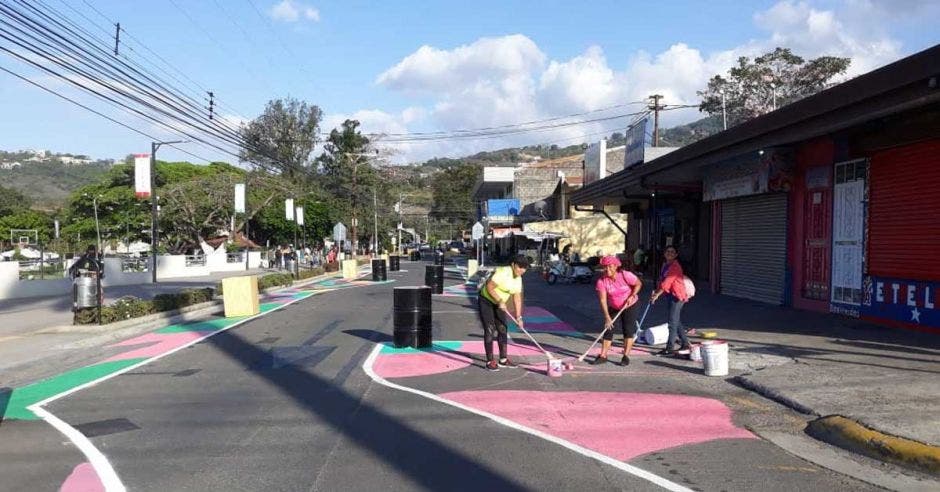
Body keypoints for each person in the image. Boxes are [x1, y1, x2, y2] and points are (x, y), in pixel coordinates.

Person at [478, 254, 530, 371]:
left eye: (524, 268)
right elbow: (489, 287)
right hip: (486, 300)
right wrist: (500, 300)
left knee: (502, 329)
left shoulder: (518, 278)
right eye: (519, 267)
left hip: (500, 304)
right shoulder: (503, 273)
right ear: (513, 265)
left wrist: (519, 317)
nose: (522, 270)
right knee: (490, 329)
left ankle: (503, 359)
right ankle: (490, 361)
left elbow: (517, 297)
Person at [592, 255, 642, 366]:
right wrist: (607, 317)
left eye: (610, 267)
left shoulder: (625, 275)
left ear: (615, 266)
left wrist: (632, 295)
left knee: (628, 329)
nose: (607, 269)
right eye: (605, 267)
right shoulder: (601, 281)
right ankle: (603, 355)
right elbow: (603, 300)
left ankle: (626, 356)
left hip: (630, 305)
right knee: (608, 328)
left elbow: (638, 284)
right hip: (614, 306)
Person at [651, 245, 690, 356]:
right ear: (664, 254)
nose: (670, 253)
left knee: (672, 322)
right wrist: (656, 291)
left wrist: (657, 295)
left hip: (677, 296)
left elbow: (668, 282)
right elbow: (662, 280)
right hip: (670, 295)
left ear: (676, 255)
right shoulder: (665, 265)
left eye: (672, 252)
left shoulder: (675, 266)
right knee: (676, 321)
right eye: (668, 251)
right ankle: (685, 343)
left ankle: (670, 348)